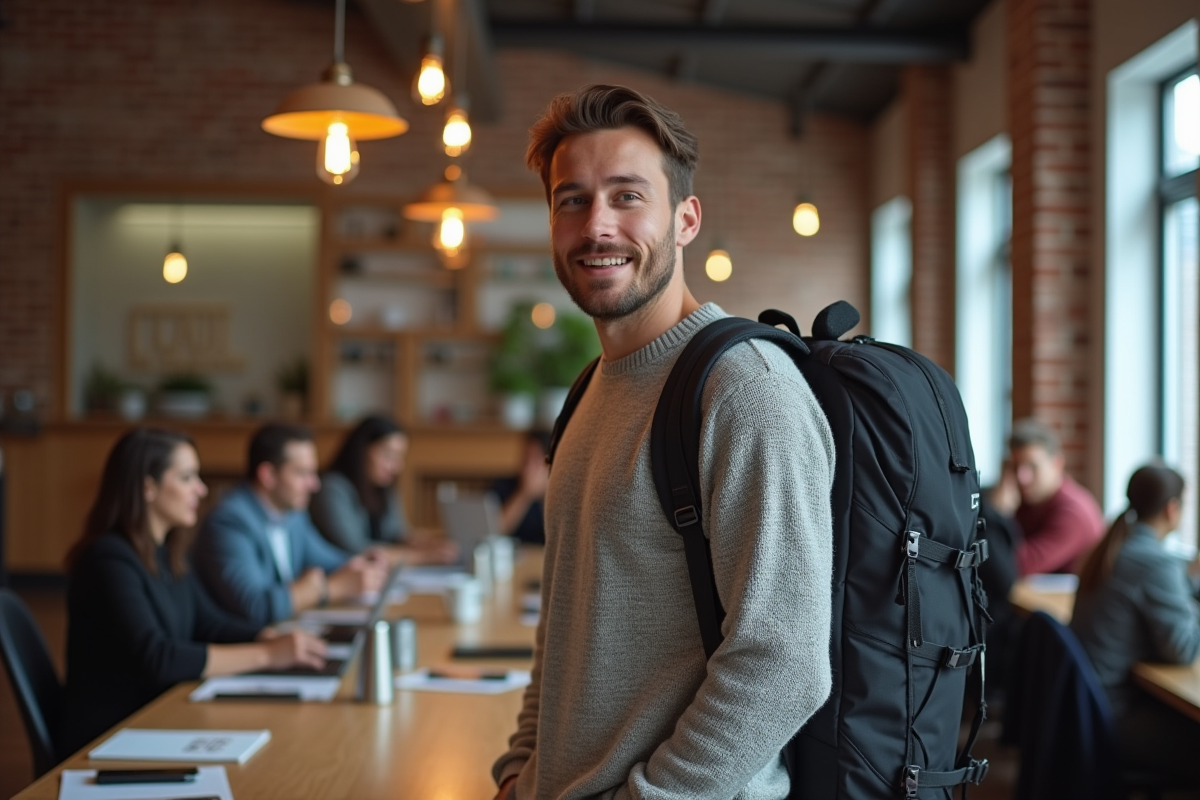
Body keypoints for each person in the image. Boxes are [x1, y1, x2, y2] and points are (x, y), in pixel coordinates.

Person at [491, 85, 835, 800]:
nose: (597, 227)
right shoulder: (589, 390)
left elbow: (784, 662)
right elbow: (562, 623)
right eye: (572, 200)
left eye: (626, 196)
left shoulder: (744, 390)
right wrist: (520, 770)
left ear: (685, 220)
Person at [61, 428, 328, 755]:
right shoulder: (108, 560)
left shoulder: (167, 553)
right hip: (111, 738)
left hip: (155, 718)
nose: (201, 490)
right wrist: (269, 655)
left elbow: (209, 623)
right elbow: (156, 659)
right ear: (148, 487)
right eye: (187, 478)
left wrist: (267, 636)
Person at [1070, 463, 1200, 783]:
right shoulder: (1155, 564)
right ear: (1173, 509)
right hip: (1116, 715)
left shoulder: (1114, 548)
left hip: (1086, 708)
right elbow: (1183, 649)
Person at [192, 423, 387, 627]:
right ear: (268, 475)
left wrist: (359, 562)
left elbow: (324, 559)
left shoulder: (292, 513)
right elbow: (255, 607)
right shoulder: (230, 521)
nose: (314, 484)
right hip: (247, 647)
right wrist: (329, 589)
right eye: (302, 473)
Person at [310, 415, 458, 565]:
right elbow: (356, 549)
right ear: (360, 451)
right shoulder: (331, 488)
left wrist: (429, 543)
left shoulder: (382, 488)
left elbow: (397, 534)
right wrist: (423, 557)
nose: (397, 466)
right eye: (389, 455)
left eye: (399, 457)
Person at [990, 417, 1104, 575]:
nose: (1022, 477)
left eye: (1032, 466)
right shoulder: (1025, 501)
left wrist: (999, 515)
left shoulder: (1074, 513)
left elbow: (1012, 566)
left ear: (1057, 464)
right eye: (1016, 467)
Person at [492, 430, 550, 545]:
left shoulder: (563, 491)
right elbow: (494, 531)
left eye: (535, 460)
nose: (528, 466)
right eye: (525, 458)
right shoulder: (503, 486)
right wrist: (524, 494)